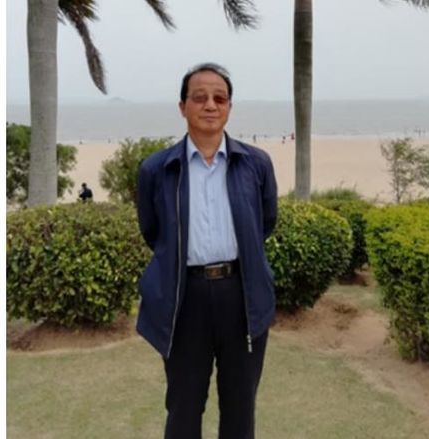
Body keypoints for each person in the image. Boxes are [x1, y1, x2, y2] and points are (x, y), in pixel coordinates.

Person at [136, 62, 278, 439]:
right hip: (184, 299)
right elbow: (153, 232)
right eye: (199, 97)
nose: (210, 105)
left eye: (220, 98)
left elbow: (264, 224)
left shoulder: (256, 164)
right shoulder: (157, 169)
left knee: (240, 408)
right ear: (182, 106)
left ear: (229, 106)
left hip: (241, 296)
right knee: (183, 407)